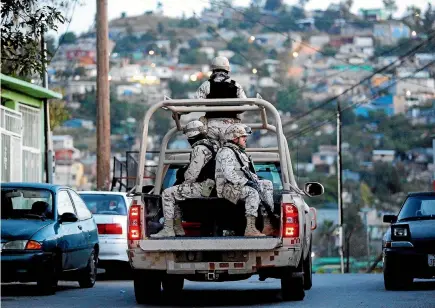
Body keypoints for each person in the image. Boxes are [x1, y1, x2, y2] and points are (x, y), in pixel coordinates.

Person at [151, 120, 220, 238]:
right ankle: (178, 228)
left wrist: (184, 182)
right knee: (176, 193)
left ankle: (168, 229)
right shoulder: (213, 146)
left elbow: (192, 175)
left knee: (168, 193)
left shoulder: (199, 149)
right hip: (212, 187)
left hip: (205, 187)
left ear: (191, 136)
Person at [215, 123, 276, 236]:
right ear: (235, 138)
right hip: (227, 187)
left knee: (266, 184)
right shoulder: (226, 152)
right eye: (243, 137)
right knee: (252, 192)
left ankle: (267, 224)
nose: (245, 139)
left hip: (238, 185)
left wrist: (254, 180)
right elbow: (229, 174)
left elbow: (245, 171)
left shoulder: (238, 152)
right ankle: (250, 228)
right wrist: (247, 182)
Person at [196, 56, 248, 145]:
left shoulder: (206, 85)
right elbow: (245, 106)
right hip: (231, 126)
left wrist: (179, 112)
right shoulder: (236, 85)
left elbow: (194, 103)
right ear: (228, 70)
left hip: (211, 126)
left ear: (213, 70)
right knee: (230, 152)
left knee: (211, 152)